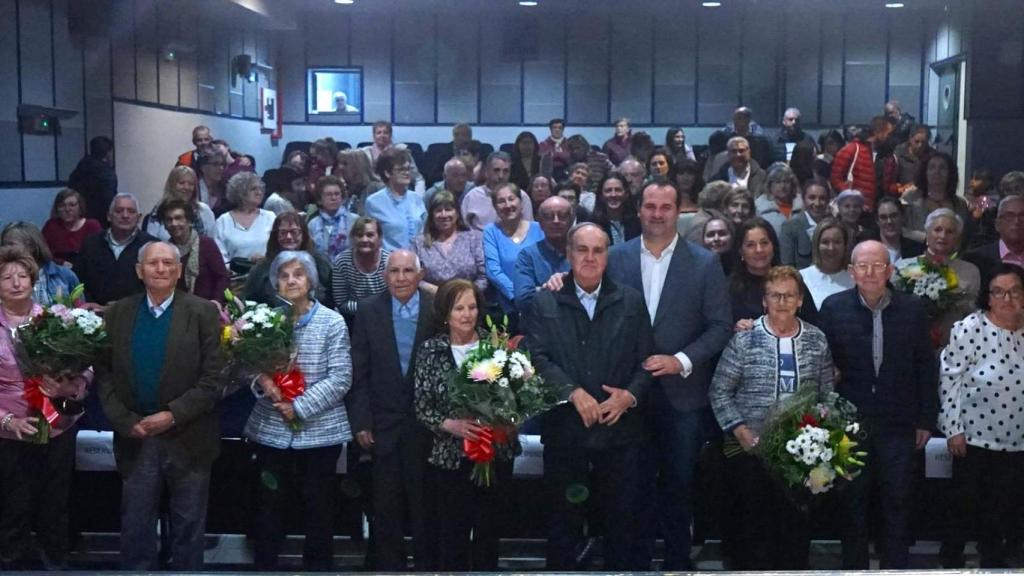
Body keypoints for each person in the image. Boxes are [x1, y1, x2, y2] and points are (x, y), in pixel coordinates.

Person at [606, 181, 733, 570]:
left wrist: (681, 360)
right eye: (650, 206)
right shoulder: (615, 257)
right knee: (631, 487)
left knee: (679, 485)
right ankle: (635, 565)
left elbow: (720, 326)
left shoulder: (704, 263)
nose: (657, 214)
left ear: (679, 211)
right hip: (627, 393)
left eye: (665, 207)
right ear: (639, 210)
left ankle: (678, 562)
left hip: (683, 394)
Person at [523, 223, 654, 570]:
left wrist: (629, 396)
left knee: (622, 526)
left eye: (598, 250)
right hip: (566, 432)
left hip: (620, 433)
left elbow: (646, 362)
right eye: (582, 249)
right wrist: (572, 393)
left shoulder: (631, 301)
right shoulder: (544, 300)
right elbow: (535, 358)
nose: (590, 258)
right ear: (568, 254)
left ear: (608, 256)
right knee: (563, 525)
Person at [96, 241, 227, 570]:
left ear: (179, 271)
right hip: (136, 436)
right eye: (153, 263)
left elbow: (214, 378)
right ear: (139, 271)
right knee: (136, 527)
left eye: (169, 263)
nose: (161, 268)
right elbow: (104, 373)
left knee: (188, 528)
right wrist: (125, 420)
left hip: (190, 437)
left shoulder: (203, 312)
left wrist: (173, 415)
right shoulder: (118, 313)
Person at [818, 240, 938, 569]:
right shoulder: (833, 308)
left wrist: (926, 419)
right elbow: (821, 364)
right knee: (852, 504)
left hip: (899, 422)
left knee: (898, 502)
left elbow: (925, 367)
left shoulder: (912, 309)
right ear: (851, 271)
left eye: (877, 266)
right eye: (862, 266)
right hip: (849, 424)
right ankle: (854, 570)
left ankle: (894, 569)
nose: (870, 272)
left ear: (890, 270)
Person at [709, 265, 834, 570]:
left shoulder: (816, 339)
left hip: (799, 457)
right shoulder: (745, 339)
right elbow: (719, 391)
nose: (782, 302)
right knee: (754, 531)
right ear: (764, 300)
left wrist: (817, 437)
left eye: (789, 295)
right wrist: (741, 431)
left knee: (795, 532)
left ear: (800, 300)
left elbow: (826, 395)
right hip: (751, 451)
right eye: (775, 295)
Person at [246, 250, 351, 571]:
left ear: (311, 281)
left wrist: (298, 407)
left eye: (298, 274)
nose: (291, 281)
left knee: (319, 510)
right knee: (268, 507)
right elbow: (244, 365)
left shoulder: (332, 321)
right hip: (271, 429)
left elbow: (341, 377)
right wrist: (263, 381)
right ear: (275, 282)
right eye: (284, 275)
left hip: (320, 433)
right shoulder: (264, 319)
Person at [0, 246, 92, 570]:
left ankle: (55, 565)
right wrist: (7, 421)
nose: (16, 283)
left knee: (55, 508)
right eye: (6, 277)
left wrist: (72, 386)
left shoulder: (56, 319)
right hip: (8, 435)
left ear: (33, 280)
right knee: (13, 508)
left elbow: (86, 367)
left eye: (22, 276)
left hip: (56, 428)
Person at [349, 249, 436, 571]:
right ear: (385, 276)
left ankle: (428, 568)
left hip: (428, 428)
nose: (401, 278)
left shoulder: (436, 309)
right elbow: (359, 372)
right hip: (382, 427)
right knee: (386, 510)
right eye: (394, 271)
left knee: (426, 508)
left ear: (420, 275)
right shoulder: (368, 310)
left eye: (408, 271)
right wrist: (361, 421)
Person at [414, 279, 509, 570]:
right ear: (445, 313)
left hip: (493, 453)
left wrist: (502, 417)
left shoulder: (495, 346)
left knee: (488, 534)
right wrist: (450, 425)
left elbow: (513, 397)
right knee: (451, 534)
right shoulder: (430, 351)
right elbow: (422, 406)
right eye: (459, 308)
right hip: (450, 457)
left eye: (472, 307)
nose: (467, 314)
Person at [939, 264, 1024, 569]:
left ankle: (995, 561)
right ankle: (950, 560)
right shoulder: (969, 328)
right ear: (987, 297)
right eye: (998, 292)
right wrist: (953, 428)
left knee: (1003, 505)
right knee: (963, 505)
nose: (1007, 298)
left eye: (1015, 291)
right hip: (974, 435)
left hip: (1018, 438)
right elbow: (950, 380)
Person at [895, 208, 981, 348]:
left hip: (955, 345)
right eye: (938, 230)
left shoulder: (970, 272)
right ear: (927, 233)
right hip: (909, 343)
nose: (943, 236)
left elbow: (972, 315)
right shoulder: (904, 267)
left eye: (950, 232)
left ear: (957, 238)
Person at [729, 217, 818, 328]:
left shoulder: (791, 280)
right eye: (750, 245)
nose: (759, 250)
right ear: (741, 251)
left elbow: (813, 324)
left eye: (764, 243)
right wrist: (735, 327)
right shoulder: (729, 289)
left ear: (773, 246)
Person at [76, 194, 156, 307]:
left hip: (137, 311)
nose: (125, 215)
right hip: (93, 311)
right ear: (109, 216)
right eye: (119, 211)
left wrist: (123, 307)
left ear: (139, 218)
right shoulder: (91, 243)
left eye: (131, 211)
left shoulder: (152, 246)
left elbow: (157, 285)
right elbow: (78, 280)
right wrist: (91, 304)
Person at [243, 212, 334, 309]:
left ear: (303, 235)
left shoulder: (320, 261)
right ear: (275, 236)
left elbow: (332, 293)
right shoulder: (262, 268)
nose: (289, 237)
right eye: (283, 233)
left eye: (294, 232)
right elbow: (249, 301)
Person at [482, 183, 545, 321]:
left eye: (511, 199)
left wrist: (537, 295)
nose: (507, 205)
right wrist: (520, 295)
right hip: (507, 307)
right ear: (495, 207)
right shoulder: (491, 231)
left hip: (541, 303)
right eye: (501, 201)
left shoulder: (540, 228)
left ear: (521, 202)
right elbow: (493, 271)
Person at [412, 191, 486, 294]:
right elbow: (413, 276)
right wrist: (437, 292)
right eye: (438, 210)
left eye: (448, 209)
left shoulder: (474, 238)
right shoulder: (419, 243)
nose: (444, 215)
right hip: (431, 299)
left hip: (469, 299)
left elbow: (483, 277)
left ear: (457, 213)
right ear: (432, 215)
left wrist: (465, 295)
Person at [158, 199, 229, 303]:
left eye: (178, 218)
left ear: (190, 221)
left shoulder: (206, 244)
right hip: (177, 307)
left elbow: (222, 278)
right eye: (169, 220)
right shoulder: (164, 251)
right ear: (164, 225)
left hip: (206, 306)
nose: (174, 223)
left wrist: (216, 301)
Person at [513, 196, 573, 314]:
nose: (556, 221)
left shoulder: (583, 252)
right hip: (541, 321)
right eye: (549, 216)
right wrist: (550, 287)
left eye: (562, 216)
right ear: (540, 223)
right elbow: (522, 299)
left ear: (571, 220)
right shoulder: (528, 255)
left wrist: (540, 289)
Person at [365, 148, 428, 250]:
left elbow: (426, 231)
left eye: (408, 169)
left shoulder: (416, 198)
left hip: (417, 257)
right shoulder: (374, 202)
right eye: (401, 170)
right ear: (387, 173)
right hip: (389, 257)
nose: (406, 173)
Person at [904, 152, 971, 241]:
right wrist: (926, 239)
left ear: (950, 173)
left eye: (942, 168)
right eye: (932, 167)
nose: (937, 172)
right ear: (925, 172)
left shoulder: (960, 204)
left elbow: (965, 235)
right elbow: (902, 230)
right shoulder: (910, 200)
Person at [213, 172, 276, 269]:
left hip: (265, 273)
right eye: (253, 189)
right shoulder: (223, 221)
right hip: (233, 275)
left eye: (261, 189)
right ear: (240, 193)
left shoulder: (270, 217)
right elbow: (219, 256)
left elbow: (278, 249)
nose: (259, 192)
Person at [331, 217, 390, 319]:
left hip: (386, 316)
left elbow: (394, 299)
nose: (364, 239)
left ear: (380, 237)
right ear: (353, 238)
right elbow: (341, 302)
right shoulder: (342, 262)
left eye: (370, 235)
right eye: (359, 235)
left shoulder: (389, 262)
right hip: (353, 319)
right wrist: (369, 308)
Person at [461, 151, 534, 231]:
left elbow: (528, 227)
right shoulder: (472, 196)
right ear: (487, 171)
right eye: (496, 170)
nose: (501, 176)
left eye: (505, 171)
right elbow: (465, 227)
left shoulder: (521, 196)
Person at [142, 166, 217, 240]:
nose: (186, 187)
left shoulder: (204, 210)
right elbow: (151, 240)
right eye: (181, 183)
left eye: (191, 184)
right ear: (172, 185)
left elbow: (213, 240)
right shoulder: (159, 210)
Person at [831, 118, 886, 212]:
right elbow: (836, 178)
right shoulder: (852, 149)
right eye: (887, 133)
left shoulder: (883, 154)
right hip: (851, 209)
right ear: (879, 132)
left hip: (870, 210)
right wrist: (853, 198)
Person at [965, 195, 1024, 283]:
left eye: (1022, 216)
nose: (1017, 221)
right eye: (1009, 216)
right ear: (997, 224)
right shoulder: (975, 259)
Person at [799, 219, 855, 309]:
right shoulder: (802, 277)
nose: (831, 248)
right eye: (825, 242)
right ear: (817, 245)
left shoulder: (855, 278)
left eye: (837, 242)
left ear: (845, 245)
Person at [40, 188, 102, 269]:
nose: (67, 209)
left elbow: (100, 255)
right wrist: (61, 263)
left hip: (86, 270)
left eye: (72, 205)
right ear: (57, 209)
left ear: (80, 207)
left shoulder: (92, 226)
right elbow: (41, 253)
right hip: (57, 270)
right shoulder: (51, 225)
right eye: (62, 206)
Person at [360, 121, 426, 195]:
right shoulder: (365, 153)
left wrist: (418, 198)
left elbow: (418, 179)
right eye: (379, 133)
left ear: (390, 135)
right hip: (374, 192)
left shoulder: (402, 151)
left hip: (401, 192)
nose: (382, 135)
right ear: (374, 136)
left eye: (386, 132)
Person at [68, 136, 118, 226]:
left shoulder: (80, 168)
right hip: (101, 220)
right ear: (107, 153)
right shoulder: (106, 173)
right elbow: (109, 199)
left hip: (79, 217)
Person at [780, 182, 831, 269]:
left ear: (828, 201)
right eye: (812, 198)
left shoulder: (834, 226)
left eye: (822, 198)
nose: (817, 203)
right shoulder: (790, 227)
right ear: (803, 199)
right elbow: (787, 266)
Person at [307, 175, 357, 262]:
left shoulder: (354, 220)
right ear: (320, 199)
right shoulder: (313, 224)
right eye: (328, 195)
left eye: (337, 194)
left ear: (342, 197)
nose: (333, 198)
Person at [755, 165, 804, 238]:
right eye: (777, 182)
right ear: (770, 185)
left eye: (786, 182)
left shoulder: (803, 205)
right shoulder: (760, 208)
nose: (782, 186)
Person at [592, 173, 640, 246]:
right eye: (608, 191)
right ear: (601, 195)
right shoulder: (592, 225)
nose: (613, 195)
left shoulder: (638, 223)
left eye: (618, 190)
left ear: (626, 194)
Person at [875, 196, 925, 264]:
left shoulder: (917, 250)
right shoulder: (868, 250)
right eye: (883, 217)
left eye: (894, 216)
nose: (889, 221)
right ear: (877, 221)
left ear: (902, 217)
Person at [337, 148, 384, 215]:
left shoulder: (378, 189)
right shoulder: (343, 189)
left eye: (345, 163)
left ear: (358, 167)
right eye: (339, 163)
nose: (340, 167)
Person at [195, 150, 229, 216]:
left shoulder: (226, 190)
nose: (221, 168)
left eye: (223, 164)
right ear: (203, 167)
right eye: (215, 164)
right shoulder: (193, 188)